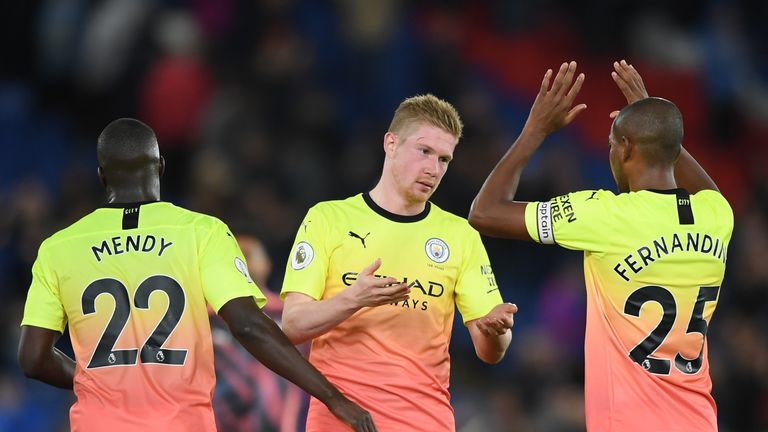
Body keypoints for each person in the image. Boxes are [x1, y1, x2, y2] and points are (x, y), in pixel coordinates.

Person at [16, 118, 376, 432]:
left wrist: (94, 382)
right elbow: (249, 326)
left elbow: (33, 358)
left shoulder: (58, 248)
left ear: (101, 175)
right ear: (160, 167)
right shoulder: (201, 232)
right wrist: (332, 397)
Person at [468, 60, 733, 431]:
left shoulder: (603, 214)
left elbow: (485, 212)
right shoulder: (716, 215)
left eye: (612, 144)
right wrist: (655, 125)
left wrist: (534, 129)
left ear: (625, 148)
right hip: (699, 421)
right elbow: (706, 188)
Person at [280, 94, 519, 431]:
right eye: (424, 152)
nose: (433, 170)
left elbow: (490, 352)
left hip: (424, 422)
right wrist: (355, 298)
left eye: (444, 159)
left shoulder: (459, 235)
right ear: (391, 144)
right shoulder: (328, 219)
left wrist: (497, 332)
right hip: (339, 420)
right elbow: (292, 325)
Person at [210, 234, 307, 431]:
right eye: (233, 257)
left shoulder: (292, 315)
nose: (241, 263)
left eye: (247, 255)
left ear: (267, 264)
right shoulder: (204, 319)